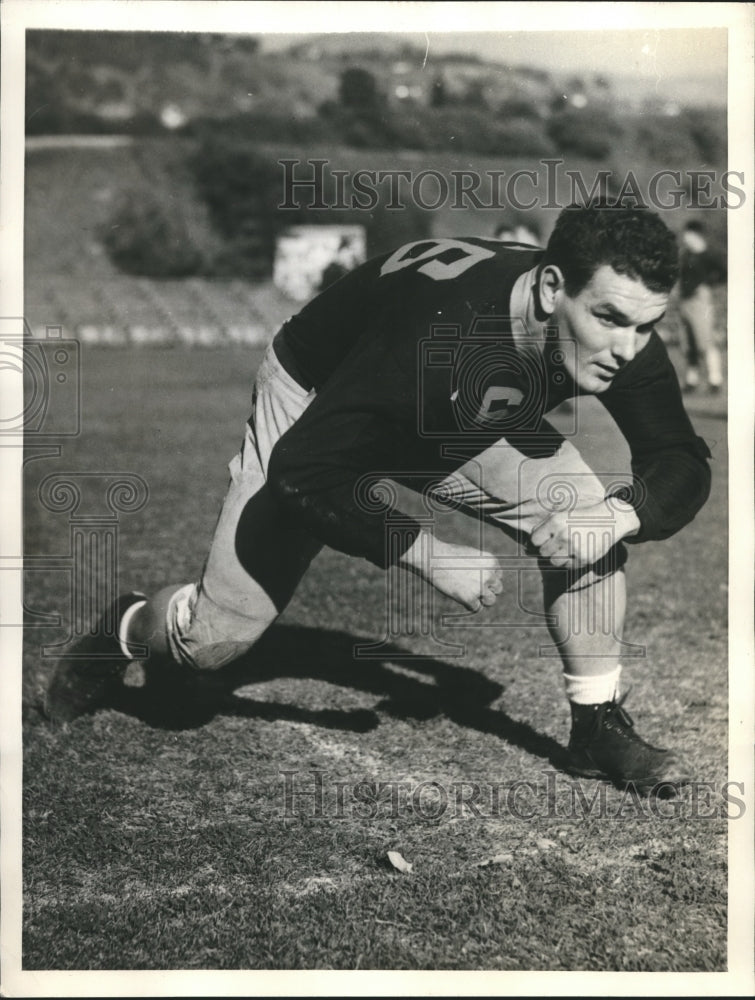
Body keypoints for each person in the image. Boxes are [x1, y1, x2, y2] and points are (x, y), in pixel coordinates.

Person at [45, 204, 712, 796]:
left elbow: (680, 459)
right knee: (212, 643)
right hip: (323, 400)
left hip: (462, 408)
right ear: (548, 287)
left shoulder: (625, 336)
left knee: (587, 513)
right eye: (608, 320)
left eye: (644, 325)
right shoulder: (437, 336)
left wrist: (615, 516)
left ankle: (595, 725)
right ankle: (128, 625)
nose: (626, 348)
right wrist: (426, 552)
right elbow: (306, 472)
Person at [678, 219, 726, 393]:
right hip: (686, 300)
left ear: (696, 235)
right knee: (688, 343)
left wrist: (706, 285)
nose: (685, 238)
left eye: (688, 234)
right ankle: (692, 380)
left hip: (700, 300)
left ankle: (715, 379)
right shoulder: (686, 255)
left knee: (705, 341)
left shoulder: (708, 254)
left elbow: (724, 272)